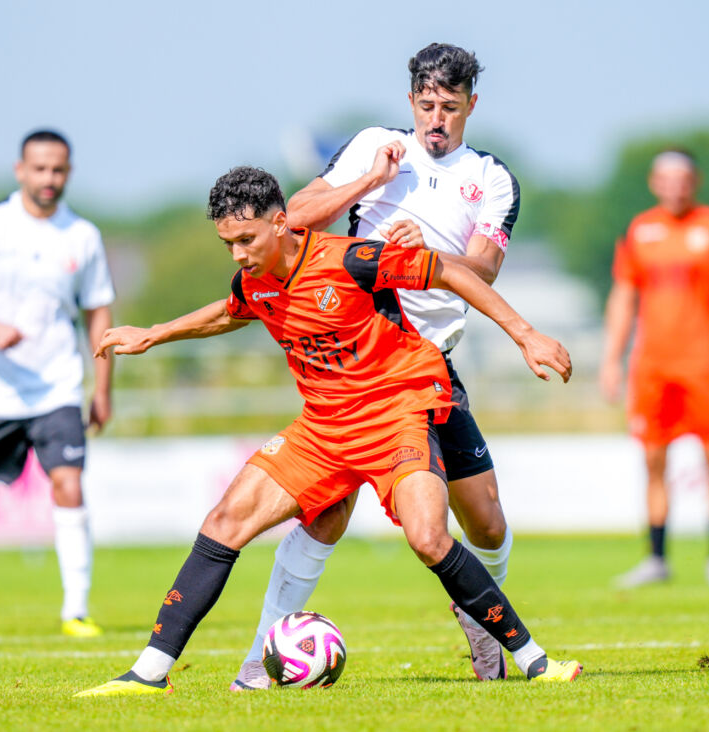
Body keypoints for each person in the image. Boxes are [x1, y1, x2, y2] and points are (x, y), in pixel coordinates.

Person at [74, 166, 581, 697]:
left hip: (395, 413)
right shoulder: (253, 279)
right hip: (324, 428)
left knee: (429, 538)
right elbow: (230, 312)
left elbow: (452, 273)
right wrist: (154, 334)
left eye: (247, 240)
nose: (239, 255)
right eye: (228, 244)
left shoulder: (351, 259)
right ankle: (149, 673)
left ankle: (534, 660)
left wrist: (526, 335)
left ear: (281, 222)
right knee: (225, 521)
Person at [231, 42, 523, 690]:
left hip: (430, 368)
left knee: (486, 520)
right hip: (358, 364)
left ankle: (479, 614)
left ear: (472, 105)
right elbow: (291, 220)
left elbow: (484, 268)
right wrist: (370, 182)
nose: (436, 119)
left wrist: (437, 252)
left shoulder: (492, 177)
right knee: (327, 511)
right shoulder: (374, 147)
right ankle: (259, 659)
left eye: (450, 106)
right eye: (426, 105)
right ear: (410, 102)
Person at [0, 129, 115, 638]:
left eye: (58, 169)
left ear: (68, 173)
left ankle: (75, 610)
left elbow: (99, 312)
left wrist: (102, 388)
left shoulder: (83, 236)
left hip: (57, 387)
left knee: (69, 484)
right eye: (39, 169)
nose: (49, 179)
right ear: (20, 171)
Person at [599, 148, 709, 588]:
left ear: (695, 180)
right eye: (666, 178)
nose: (675, 186)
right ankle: (656, 558)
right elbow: (623, 298)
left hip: (705, 362)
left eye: (682, 177)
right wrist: (612, 359)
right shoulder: (639, 230)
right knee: (652, 458)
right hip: (652, 365)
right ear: (654, 182)